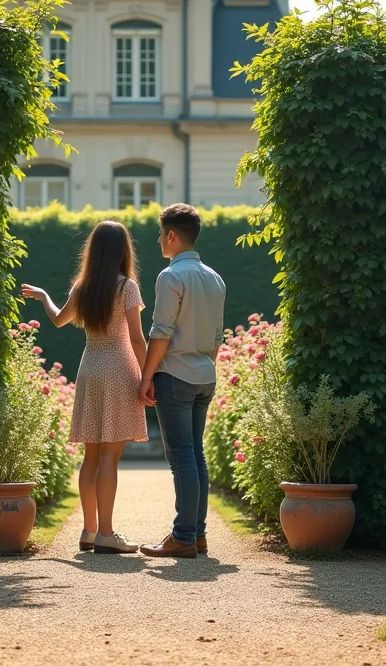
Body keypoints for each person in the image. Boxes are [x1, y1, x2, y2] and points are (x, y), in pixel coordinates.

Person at [22, 221, 149, 554]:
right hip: (119, 368)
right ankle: (107, 533)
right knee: (110, 456)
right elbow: (136, 338)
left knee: (91, 456)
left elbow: (58, 319)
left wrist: (44, 296)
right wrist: (151, 375)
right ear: (124, 250)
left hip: (90, 366)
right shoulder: (127, 287)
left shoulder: (82, 288)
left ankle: (90, 531)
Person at [137, 203, 226, 558]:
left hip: (174, 375)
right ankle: (197, 534)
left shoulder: (170, 276)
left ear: (171, 235)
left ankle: (183, 536)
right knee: (196, 455)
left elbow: (161, 332)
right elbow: (218, 336)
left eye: (161, 234)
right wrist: (206, 367)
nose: (160, 240)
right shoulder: (215, 277)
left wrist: (146, 376)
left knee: (182, 458)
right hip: (205, 374)